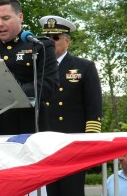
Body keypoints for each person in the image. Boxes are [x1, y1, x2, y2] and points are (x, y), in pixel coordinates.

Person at [0, 0, 59, 135]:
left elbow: (49, 84)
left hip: (29, 127)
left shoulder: (40, 46)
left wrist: (9, 93)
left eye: (6, 18)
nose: (0, 24)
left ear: (20, 17)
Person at [38, 15, 103, 196]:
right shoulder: (37, 69)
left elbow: (94, 108)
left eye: (55, 38)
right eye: (46, 39)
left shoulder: (84, 67)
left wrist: (90, 143)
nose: (50, 42)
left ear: (67, 41)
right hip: (46, 145)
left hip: (72, 146)